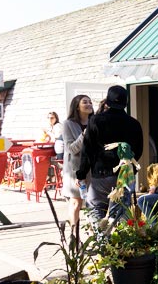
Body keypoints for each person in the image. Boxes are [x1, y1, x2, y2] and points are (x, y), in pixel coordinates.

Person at [76, 85, 143, 223]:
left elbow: (87, 149)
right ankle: (118, 243)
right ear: (126, 102)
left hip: (100, 174)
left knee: (96, 211)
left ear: (107, 101)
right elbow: (138, 151)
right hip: (124, 175)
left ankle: (101, 241)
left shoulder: (95, 121)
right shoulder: (134, 124)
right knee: (119, 217)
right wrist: (131, 170)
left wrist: (81, 173)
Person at [61, 95, 94, 228]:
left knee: (93, 203)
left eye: (90, 102)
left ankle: (94, 236)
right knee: (76, 203)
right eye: (85, 102)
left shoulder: (95, 121)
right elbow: (71, 149)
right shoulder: (68, 124)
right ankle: (74, 237)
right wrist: (84, 135)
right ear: (77, 106)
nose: (89, 104)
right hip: (76, 170)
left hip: (93, 169)